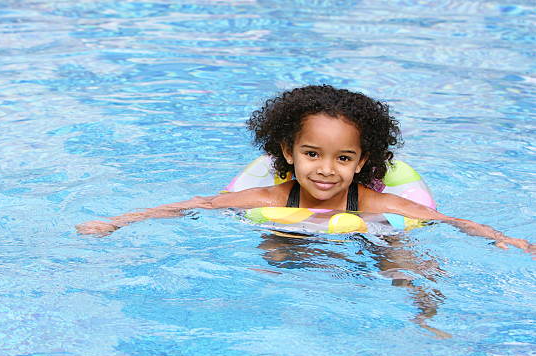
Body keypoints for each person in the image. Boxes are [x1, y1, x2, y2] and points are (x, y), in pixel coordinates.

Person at [76, 85, 534, 253]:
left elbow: (444, 220)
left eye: (344, 158)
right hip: (290, 239)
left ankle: (424, 313)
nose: (326, 170)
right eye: (312, 154)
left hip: (363, 244)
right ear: (288, 153)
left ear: (363, 162)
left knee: (403, 258)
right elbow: (199, 205)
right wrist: (118, 222)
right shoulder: (273, 198)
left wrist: (502, 237)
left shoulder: (373, 201)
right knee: (273, 254)